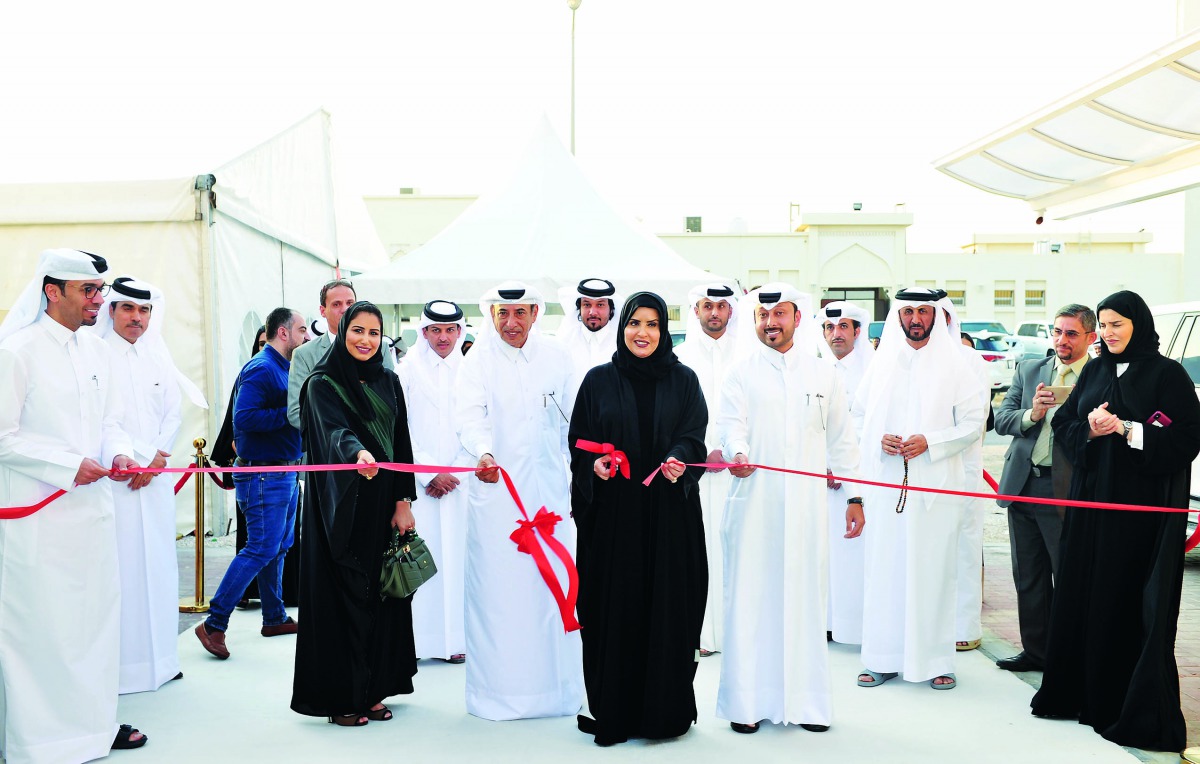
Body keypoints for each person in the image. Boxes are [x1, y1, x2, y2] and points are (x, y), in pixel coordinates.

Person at [1031, 291, 1200, 751]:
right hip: (1092, 508)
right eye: (1102, 325)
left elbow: (1186, 437)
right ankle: (1081, 693)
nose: (1107, 333)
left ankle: (1122, 704)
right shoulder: (1097, 368)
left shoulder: (1168, 374)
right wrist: (1090, 427)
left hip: (1139, 513)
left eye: (1116, 324)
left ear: (1138, 324)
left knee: (1127, 599)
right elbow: (1066, 423)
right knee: (1085, 591)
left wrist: (1126, 429)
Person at [0, 248, 148, 760]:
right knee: (45, 630)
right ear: (51, 291)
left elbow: (110, 424)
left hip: (92, 513)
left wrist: (122, 454)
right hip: (38, 520)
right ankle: (39, 741)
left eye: (99, 290)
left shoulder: (97, 352)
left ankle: (93, 727)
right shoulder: (17, 351)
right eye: (88, 290)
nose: (98, 300)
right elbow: (2, 439)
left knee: (94, 623)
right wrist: (68, 466)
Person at [717, 284, 863, 735]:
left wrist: (856, 496)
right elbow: (729, 425)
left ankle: (808, 705)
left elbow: (842, 439)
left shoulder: (824, 376)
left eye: (779, 314)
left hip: (805, 513)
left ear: (798, 319)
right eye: (763, 316)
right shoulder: (740, 373)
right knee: (751, 601)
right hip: (754, 506)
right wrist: (737, 453)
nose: (771, 323)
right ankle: (746, 705)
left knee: (804, 600)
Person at [568, 291, 708, 746]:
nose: (642, 333)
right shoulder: (598, 381)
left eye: (651, 324)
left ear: (663, 330)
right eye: (634, 323)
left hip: (669, 521)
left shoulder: (684, 380)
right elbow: (579, 445)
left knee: (668, 609)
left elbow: (694, 436)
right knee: (614, 610)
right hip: (614, 525)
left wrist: (679, 458)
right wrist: (596, 467)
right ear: (621, 327)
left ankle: (663, 714)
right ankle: (614, 711)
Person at [454, 280, 583, 721]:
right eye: (502, 315)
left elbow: (573, 424)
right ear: (491, 316)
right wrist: (482, 452)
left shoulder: (557, 358)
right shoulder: (477, 362)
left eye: (521, 313)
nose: (511, 323)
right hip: (498, 501)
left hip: (550, 495)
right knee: (502, 594)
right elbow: (470, 418)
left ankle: (558, 692)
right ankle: (500, 695)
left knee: (552, 593)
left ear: (535, 314)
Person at [851, 287, 987, 691]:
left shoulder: (957, 365)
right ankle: (881, 658)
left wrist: (931, 440)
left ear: (936, 315)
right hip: (886, 484)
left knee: (932, 573)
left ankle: (935, 661)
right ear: (898, 316)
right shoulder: (881, 363)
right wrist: (878, 437)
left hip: (935, 486)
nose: (915, 318)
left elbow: (971, 424)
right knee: (885, 571)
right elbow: (856, 418)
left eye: (923, 312)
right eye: (908, 311)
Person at [291, 301, 419, 726]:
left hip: (382, 505)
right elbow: (331, 432)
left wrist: (403, 502)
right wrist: (357, 452)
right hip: (340, 507)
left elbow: (401, 444)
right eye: (357, 331)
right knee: (343, 595)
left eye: (374, 332)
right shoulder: (321, 383)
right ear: (341, 331)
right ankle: (341, 697)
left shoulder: (389, 381)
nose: (366, 340)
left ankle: (375, 689)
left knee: (382, 595)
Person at [91, 277, 201, 693]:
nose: (137, 318)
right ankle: (124, 670)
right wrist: (137, 458)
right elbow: (103, 420)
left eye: (144, 310)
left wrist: (155, 458)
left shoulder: (157, 356)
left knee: (157, 568)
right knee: (122, 573)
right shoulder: (96, 355)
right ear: (111, 311)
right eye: (128, 309)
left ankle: (162, 661)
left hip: (153, 482)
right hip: (115, 479)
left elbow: (172, 414)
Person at [196, 307, 307, 659]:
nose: (307, 337)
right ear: (284, 333)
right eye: (302, 330)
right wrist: (293, 412)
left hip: (282, 472)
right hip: (263, 474)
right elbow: (243, 417)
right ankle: (214, 624)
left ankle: (273, 616)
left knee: (278, 545)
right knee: (261, 547)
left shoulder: (281, 366)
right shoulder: (262, 368)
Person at [993, 304, 1096, 673]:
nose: (1061, 340)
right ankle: (1036, 652)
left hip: (1066, 488)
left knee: (1065, 575)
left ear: (1090, 337)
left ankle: (1067, 657)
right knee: (1028, 575)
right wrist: (1032, 414)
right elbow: (1002, 419)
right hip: (1022, 484)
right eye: (1057, 332)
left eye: (1071, 333)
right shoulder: (1029, 369)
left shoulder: (1098, 376)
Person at [396, 300, 471, 664]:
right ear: (423, 332)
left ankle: (457, 641)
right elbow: (400, 429)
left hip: (460, 485)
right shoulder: (406, 370)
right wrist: (428, 473)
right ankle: (420, 644)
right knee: (421, 563)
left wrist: (454, 471)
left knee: (459, 560)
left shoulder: (472, 370)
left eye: (450, 330)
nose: (443, 337)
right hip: (420, 486)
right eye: (435, 330)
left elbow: (477, 425)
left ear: (460, 331)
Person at [674, 282, 740, 656]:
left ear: (731, 311)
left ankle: (734, 633)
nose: (714, 313)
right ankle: (697, 632)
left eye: (721, 306)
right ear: (695, 311)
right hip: (689, 475)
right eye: (706, 306)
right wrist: (698, 453)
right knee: (694, 552)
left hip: (737, 472)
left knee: (734, 551)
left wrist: (731, 451)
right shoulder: (678, 356)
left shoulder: (749, 355)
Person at [937, 296, 993, 653]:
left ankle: (964, 626)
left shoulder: (969, 359)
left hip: (960, 467)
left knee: (963, 548)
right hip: (916, 469)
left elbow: (976, 419)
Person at [819, 300, 874, 645]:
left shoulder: (874, 371)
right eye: (829, 327)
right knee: (819, 551)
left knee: (852, 551)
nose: (836, 334)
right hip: (814, 475)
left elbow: (867, 425)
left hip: (856, 477)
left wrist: (842, 466)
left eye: (843, 327)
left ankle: (853, 625)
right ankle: (822, 622)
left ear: (857, 331)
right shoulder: (811, 368)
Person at [557, 278, 623, 383]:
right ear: (580, 308)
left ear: (611, 308)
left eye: (600, 305)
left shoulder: (622, 344)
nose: (592, 312)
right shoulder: (564, 343)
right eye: (587, 305)